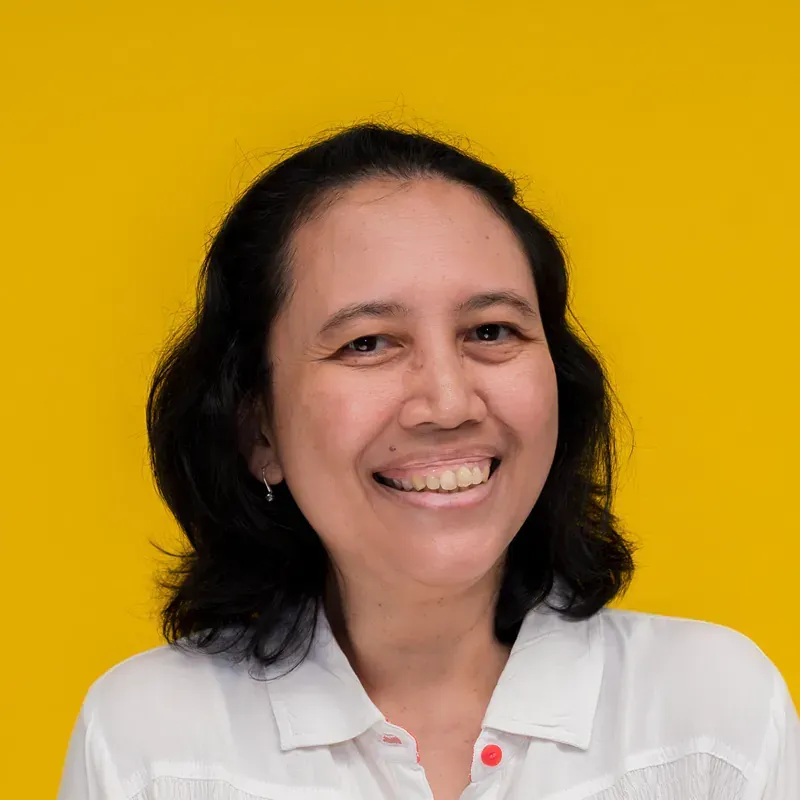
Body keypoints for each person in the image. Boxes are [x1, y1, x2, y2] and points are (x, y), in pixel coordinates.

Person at [57, 123, 799, 800]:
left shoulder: (710, 718)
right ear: (260, 432)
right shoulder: (151, 744)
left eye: (491, 330)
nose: (447, 403)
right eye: (368, 343)